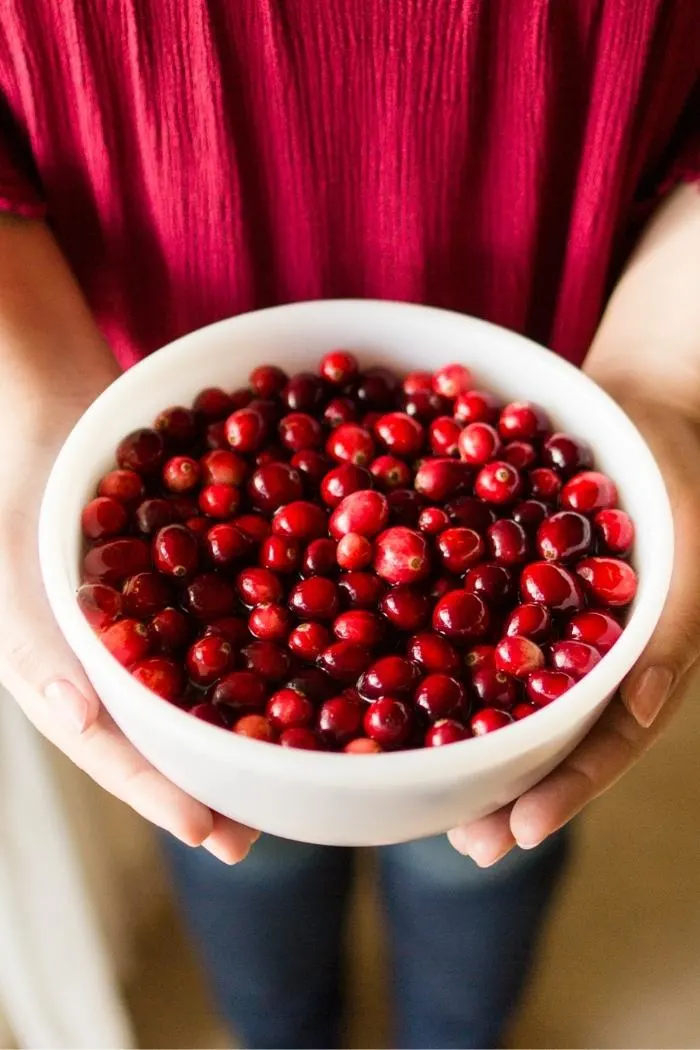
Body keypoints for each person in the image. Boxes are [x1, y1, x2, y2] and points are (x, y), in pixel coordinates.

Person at [0, 2, 698, 1047]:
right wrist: (36, 400)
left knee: (489, 836)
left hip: (582, 339)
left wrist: (664, 379)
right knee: (240, 842)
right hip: (122, 346)